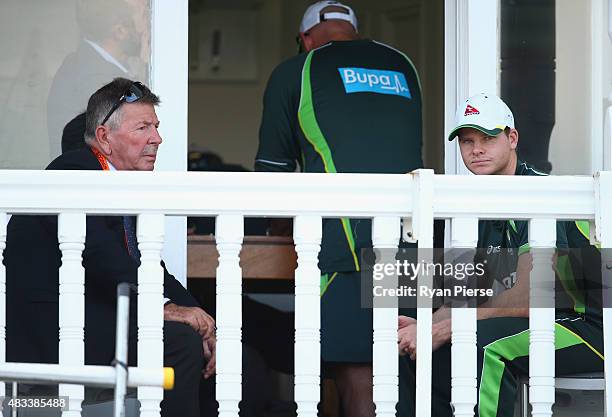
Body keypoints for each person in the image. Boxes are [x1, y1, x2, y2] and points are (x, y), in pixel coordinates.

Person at [5, 78, 215, 417]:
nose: (157, 138)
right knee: (178, 342)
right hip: (58, 337)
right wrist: (160, 308)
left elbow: (151, 271)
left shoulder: (118, 183)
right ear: (104, 137)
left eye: (156, 127)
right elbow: (102, 256)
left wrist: (205, 321)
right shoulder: (73, 170)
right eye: (143, 127)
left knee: (225, 353)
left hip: (98, 322)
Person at [255, 2, 423, 416]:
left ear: (306, 39)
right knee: (402, 375)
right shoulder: (404, 66)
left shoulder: (297, 70)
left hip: (343, 246)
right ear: (354, 31)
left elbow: (272, 174)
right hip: (410, 238)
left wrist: (274, 229)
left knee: (361, 378)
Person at [397, 93, 604, 417]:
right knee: (416, 353)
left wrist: (451, 326)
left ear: (512, 138)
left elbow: (530, 296)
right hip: (541, 321)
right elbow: (465, 297)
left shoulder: (536, 191)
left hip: (590, 326)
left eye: (488, 138)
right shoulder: (478, 204)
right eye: (467, 141)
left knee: (485, 345)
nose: (476, 149)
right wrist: (426, 327)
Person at [47, 0, 148, 159]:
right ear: (120, 31)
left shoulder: (86, 64)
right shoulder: (96, 77)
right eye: (142, 15)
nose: (148, 26)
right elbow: (122, 147)